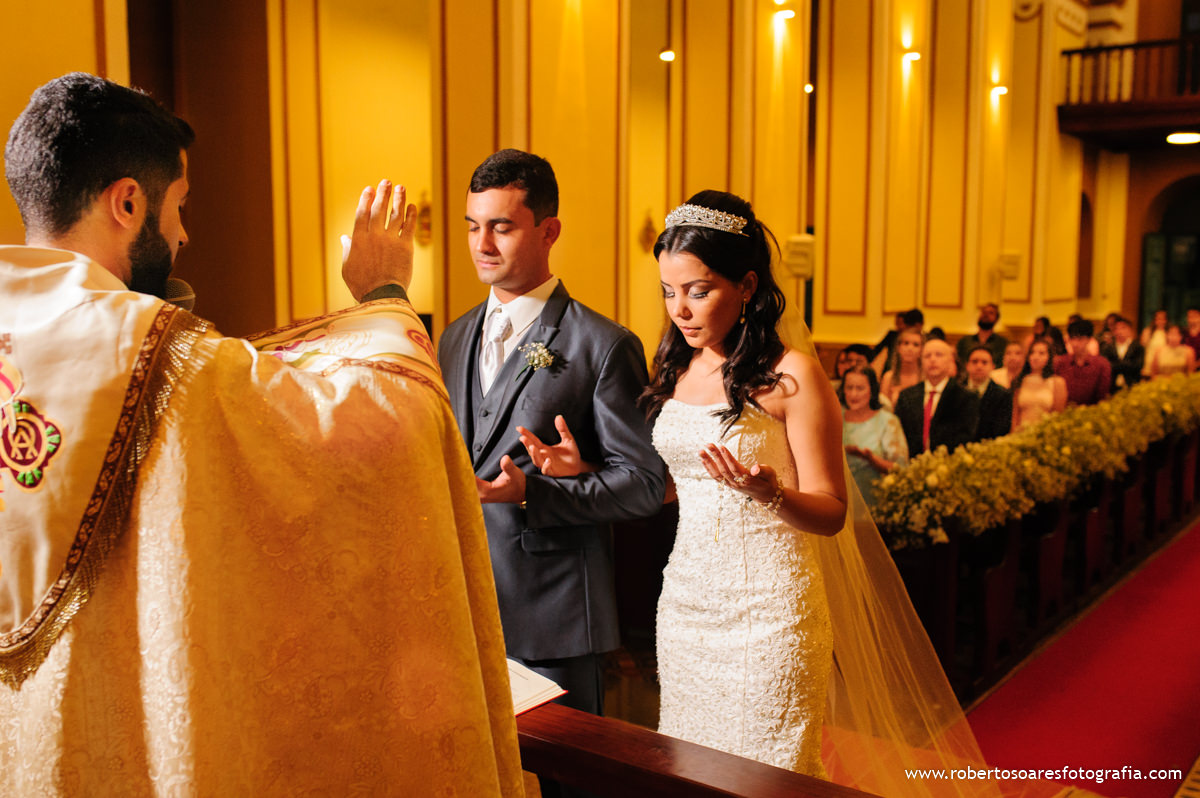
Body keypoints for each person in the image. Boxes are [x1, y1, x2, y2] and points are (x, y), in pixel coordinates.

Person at [0, 73, 523, 795]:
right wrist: (383, 296)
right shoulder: (153, 353)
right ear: (128, 202)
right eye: (178, 206)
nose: (183, 233)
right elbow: (386, 423)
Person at [530, 192, 1009, 797]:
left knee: (767, 779)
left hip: (771, 616)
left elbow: (832, 511)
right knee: (690, 770)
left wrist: (772, 493)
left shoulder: (793, 375)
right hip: (687, 607)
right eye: (667, 291)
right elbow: (677, 485)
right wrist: (583, 469)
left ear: (748, 284)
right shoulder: (675, 369)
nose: (680, 308)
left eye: (699, 290)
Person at [436, 149, 665, 727]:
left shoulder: (603, 345)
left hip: (556, 618)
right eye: (473, 226)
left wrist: (535, 492)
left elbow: (642, 486)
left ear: (548, 230)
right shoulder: (451, 338)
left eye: (502, 227)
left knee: (568, 785)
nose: (482, 244)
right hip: (460, 611)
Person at [895, 338, 979, 457]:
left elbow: (965, 436)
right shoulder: (907, 396)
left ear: (950, 360)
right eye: (927, 356)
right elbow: (899, 434)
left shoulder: (966, 397)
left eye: (939, 355)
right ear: (921, 361)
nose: (932, 360)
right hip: (912, 463)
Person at [840, 365, 908, 507]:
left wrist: (871, 459)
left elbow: (900, 469)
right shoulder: (835, 419)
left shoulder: (887, 421)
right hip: (840, 498)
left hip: (874, 501)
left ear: (872, 390)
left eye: (860, 388)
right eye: (849, 388)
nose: (853, 394)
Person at [1013, 339, 1068, 430]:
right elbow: (1015, 416)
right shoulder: (1021, 380)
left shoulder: (1057, 382)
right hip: (1021, 433)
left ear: (1049, 357)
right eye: (1032, 353)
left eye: (1041, 353)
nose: (1035, 357)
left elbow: (1058, 416)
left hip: (1044, 433)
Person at [1055, 318, 1111, 406]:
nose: (1075, 343)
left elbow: (1102, 397)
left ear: (1089, 339)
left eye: (1080, 339)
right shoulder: (1061, 362)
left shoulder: (1101, 364)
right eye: (1072, 339)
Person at [963, 345, 1012, 440]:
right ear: (967, 365)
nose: (979, 366)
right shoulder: (955, 391)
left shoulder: (1003, 395)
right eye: (975, 361)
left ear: (993, 366)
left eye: (984, 362)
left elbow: (1002, 429)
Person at [878, 326, 923, 407]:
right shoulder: (888, 378)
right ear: (898, 348)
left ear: (922, 350)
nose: (910, 348)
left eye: (916, 345)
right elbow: (883, 410)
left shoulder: (925, 378)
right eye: (906, 343)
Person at [956, 302, 1008, 368]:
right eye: (984, 312)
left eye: (991, 313)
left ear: (997, 319)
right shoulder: (964, 341)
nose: (986, 315)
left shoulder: (1003, 343)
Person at [1100, 316, 1144, 391]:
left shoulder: (1138, 347)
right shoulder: (1107, 347)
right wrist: (1125, 364)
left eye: (1123, 328)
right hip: (1111, 386)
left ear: (1130, 330)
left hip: (1132, 385)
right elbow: (1106, 365)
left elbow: (1137, 365)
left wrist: (1117, 364)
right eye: (1117, 328)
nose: (1119, 331)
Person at [1141, 309, 1169, 377]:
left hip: (1163, 364)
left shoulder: (1168, 333)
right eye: (1158, 318)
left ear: (1166, 320)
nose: (1160, 321)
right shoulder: (1148, 331)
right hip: (1149, 364)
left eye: (1163, 319)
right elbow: (1142, 348)